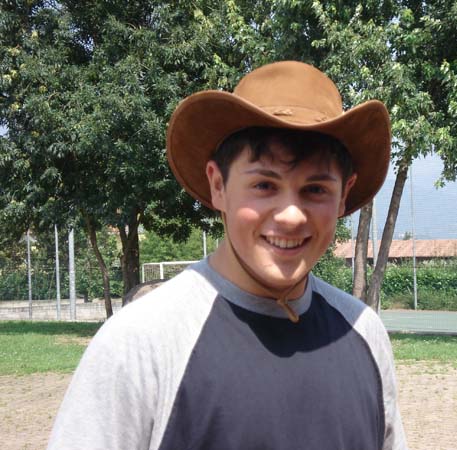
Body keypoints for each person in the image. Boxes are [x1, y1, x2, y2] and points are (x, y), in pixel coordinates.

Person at [47, 60, 408, 450]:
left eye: (316, 189)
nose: (290, 216)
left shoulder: (364, 332)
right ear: (218, 185)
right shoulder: (142, 343)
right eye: (264, 185)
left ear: (344, 195)